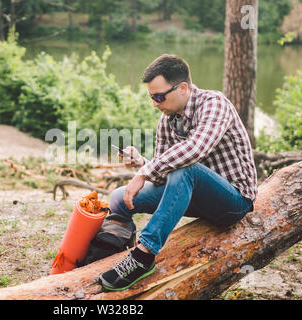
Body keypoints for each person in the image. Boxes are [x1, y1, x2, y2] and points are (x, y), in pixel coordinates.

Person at [99, 54, 257, 291]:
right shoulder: (167, 120)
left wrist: (144, 173)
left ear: (183, 88)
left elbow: (195, 149)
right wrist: (142, 163)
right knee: (119, 198)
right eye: (151, 97)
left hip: (233, 201)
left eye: (159, 96)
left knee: (186, 169)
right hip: (192, 194)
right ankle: (108, 256)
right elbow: (164, 175)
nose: (155, 103)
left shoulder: (214, 104)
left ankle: (143, 256)